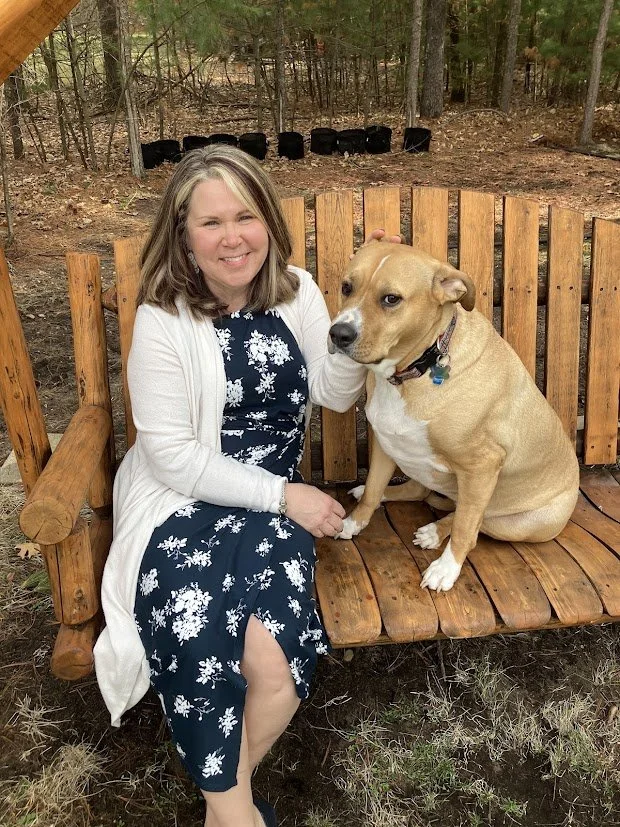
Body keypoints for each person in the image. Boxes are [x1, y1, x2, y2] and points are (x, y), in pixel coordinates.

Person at [94, 144, 397, 827]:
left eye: (246, 215)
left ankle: (222, 794)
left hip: (266, 508)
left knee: (273, 654)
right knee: (199, 627)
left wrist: (358, 320)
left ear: (268, 220)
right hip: (180, 503)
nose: (232, 236)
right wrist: (285, 496)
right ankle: (233, 812)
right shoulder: (164, 317)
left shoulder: (298, 290)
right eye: (211, 222)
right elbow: (170, 454)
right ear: (183, 235)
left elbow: (333, 391)